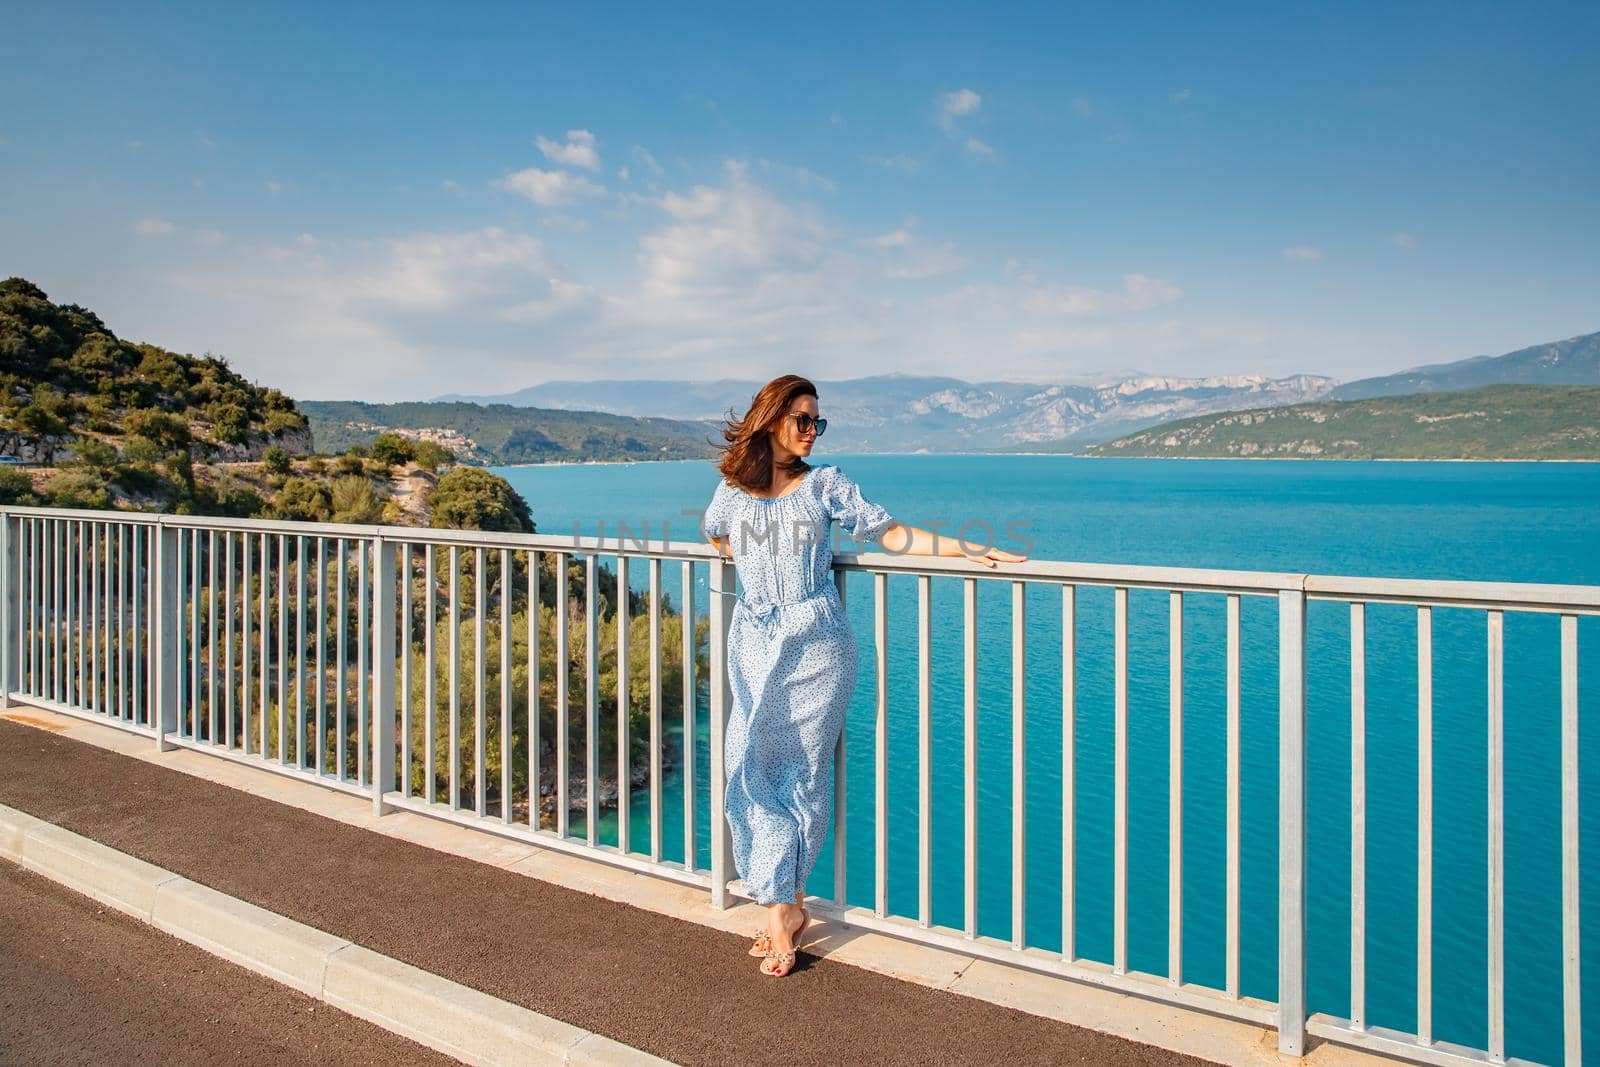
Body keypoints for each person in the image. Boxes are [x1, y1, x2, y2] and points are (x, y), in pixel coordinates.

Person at [700, 374, 1027, 977]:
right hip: (752, 638)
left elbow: (890, 532)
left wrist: (966, 549)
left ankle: (782, 910)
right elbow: (716, 532)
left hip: (816, 644)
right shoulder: (733, 488)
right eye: (803, 420)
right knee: (744, 760)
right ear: (771, 419)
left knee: (798, 772)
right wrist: (752, 561)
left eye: (818, 423)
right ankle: (783, 901)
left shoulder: (826, 484)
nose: (812, 432)